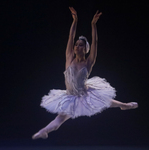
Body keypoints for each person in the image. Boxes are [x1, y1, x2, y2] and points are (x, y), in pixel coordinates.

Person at [32, 7, 138, 139]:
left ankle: (124, 105)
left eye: (80, 45)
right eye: (76, 44)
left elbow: (95, 42)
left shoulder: (89, 62)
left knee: (101, 99)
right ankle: (44, 131)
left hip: (83, 94)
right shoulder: (69, 57)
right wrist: (75, 20)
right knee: (60, 119)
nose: (77, 46)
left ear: (85, 48)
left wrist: (93, 25)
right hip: (70, 96)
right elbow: (71, 36)